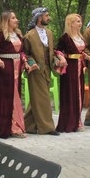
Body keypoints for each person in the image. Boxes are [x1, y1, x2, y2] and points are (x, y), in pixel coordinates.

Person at [0, 10, 30, 138]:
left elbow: (21, 52)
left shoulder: (18, 35)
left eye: (16, 18)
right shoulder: (0, 36)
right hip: (6, 67)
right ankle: (7, 127)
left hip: (17, 67)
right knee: (8, 97)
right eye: (13, 18)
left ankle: (15, 126)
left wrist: (25, 62)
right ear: (6, 21)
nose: (17, 20)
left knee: (16, 95)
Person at [22, 7, 63, 136]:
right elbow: (25, 53)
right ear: (39, 18)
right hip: (36, 70)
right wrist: (32, 63)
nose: (48, 18)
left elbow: (52, 50)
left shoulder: (49, 33)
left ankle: (28, 125)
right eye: (46, 15)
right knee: (43, 98)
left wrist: (57, 59)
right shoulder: (29, 35)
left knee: (37, 98)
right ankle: (48, 127)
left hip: (47, 69)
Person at [56, 13, 90, 132]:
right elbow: (57, 50)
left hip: (80, 66)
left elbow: (81, 51)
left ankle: (77, 121)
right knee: (70, 93)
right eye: (77, 21)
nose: (80, 23)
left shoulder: (81, 37)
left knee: (79, 93)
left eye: (80, 21)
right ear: (71, 24)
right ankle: (69, 122)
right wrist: (61, 57)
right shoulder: (65, 37)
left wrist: (88, 57)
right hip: (70, 67)